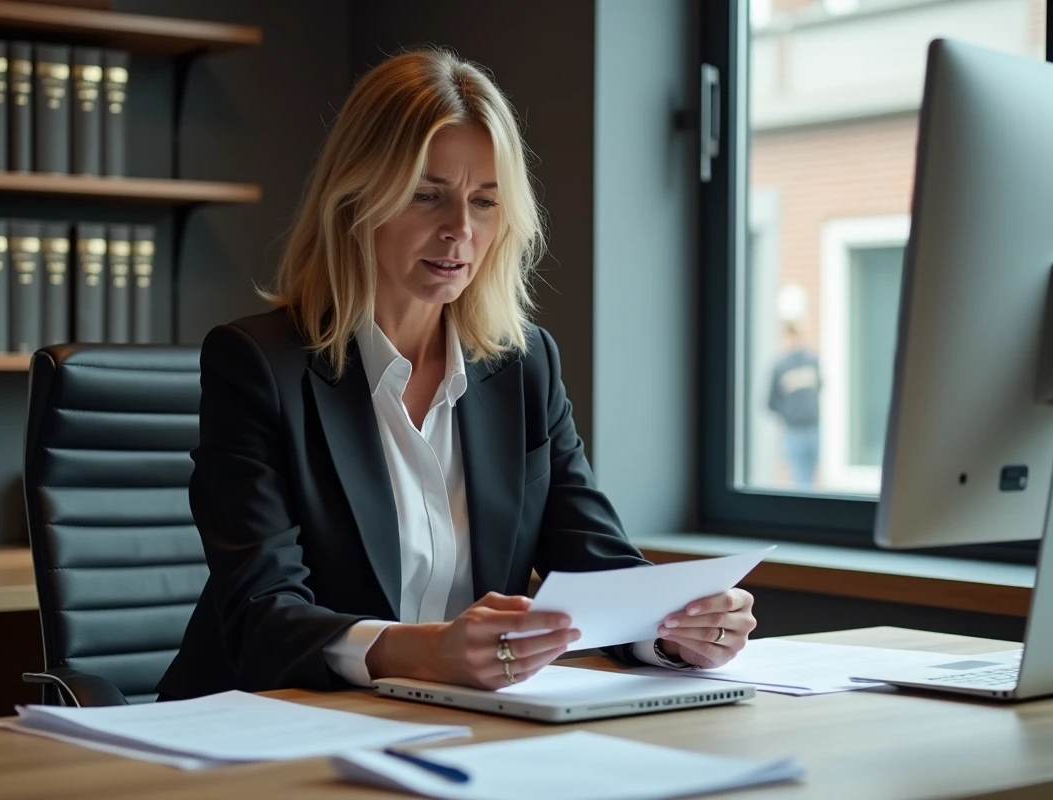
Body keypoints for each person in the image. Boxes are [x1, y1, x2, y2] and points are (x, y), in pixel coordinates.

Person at [157, 48, 757, 700]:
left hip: (456, 721)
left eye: (485, 202)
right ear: (356, 198)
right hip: (270, 722)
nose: (460, 230)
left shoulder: (523, 366)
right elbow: (261, 614)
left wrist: (674, 630)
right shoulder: (258, 365)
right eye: (427, 196)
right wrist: (426, 652)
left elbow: (594, 561)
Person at [767, 314, 822, 488]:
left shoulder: (812, 361)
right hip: (793, 431)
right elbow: (771, 401)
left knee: (811, 476)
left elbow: (820, 387)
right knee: (800, 479)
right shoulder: (780, 365)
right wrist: (789, 414)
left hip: (813, 427)